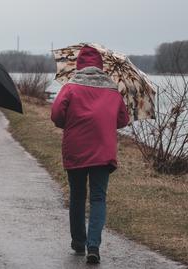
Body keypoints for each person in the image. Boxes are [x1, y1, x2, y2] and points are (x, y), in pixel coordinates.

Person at [51, 45, 129, 264]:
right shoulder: (112, 89)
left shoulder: (71, 87)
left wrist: (66, 123)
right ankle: (93, 245)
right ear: (100, 66)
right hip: (103, 152)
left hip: (75, 149)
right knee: (98, 198)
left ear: (79, 65)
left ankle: (78, 242)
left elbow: (56, 114)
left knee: (77, 195)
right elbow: (123, 120)